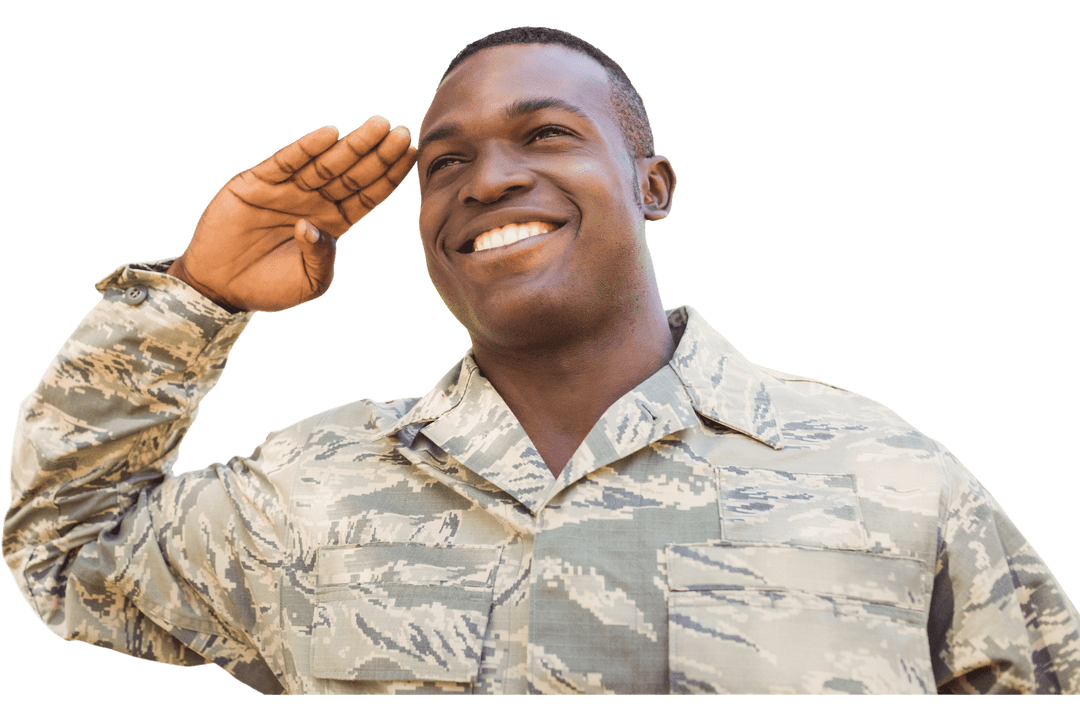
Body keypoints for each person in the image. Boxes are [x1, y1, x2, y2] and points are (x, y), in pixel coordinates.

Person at [3, 26, 1078, 695]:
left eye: (547, 136)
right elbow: (63, 546)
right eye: (446, 162)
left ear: (653, 185)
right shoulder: (307, 492)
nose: (487, 180)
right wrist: (198, 297)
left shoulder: (887, 476)